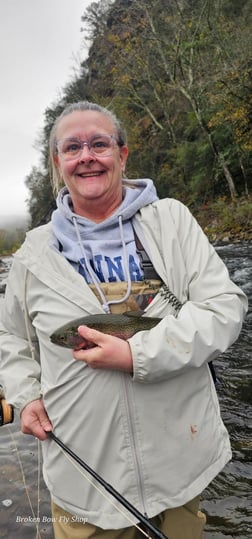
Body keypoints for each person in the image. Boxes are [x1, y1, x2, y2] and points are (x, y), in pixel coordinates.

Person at [0, 101, 247, 539]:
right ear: (58, 162)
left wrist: (138, 354)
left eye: (99, 143)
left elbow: (224, 307)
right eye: (72, 147)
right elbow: (11, 337)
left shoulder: (171, 221)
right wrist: (26, 396)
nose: (87, 155)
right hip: (85, 476)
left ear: (123, 154)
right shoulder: (33, 255)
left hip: (180, 464)